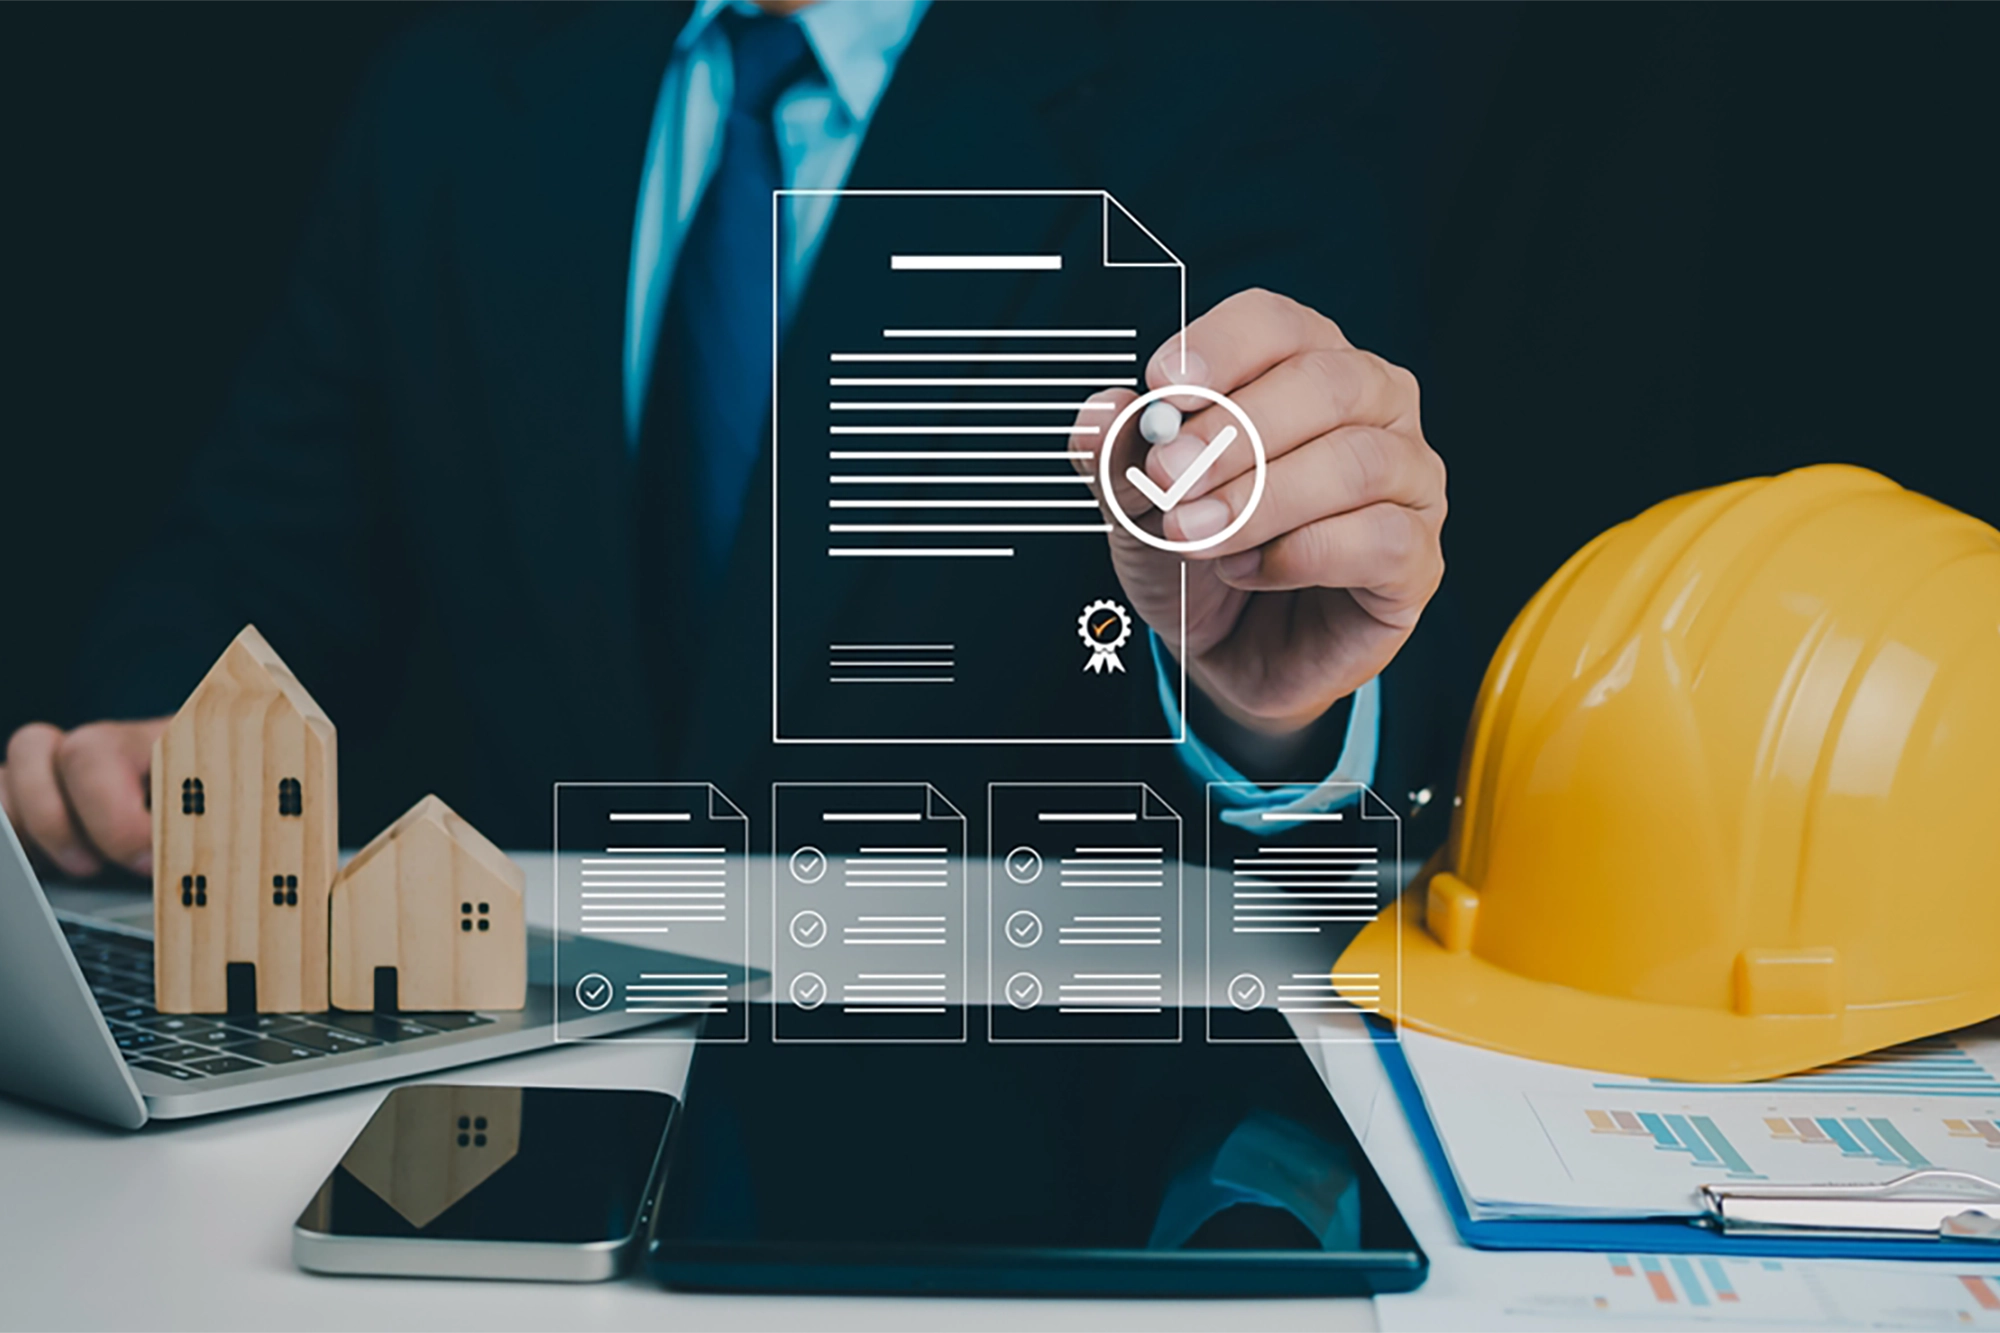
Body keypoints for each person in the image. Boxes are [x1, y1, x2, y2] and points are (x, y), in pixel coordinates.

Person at [1, 0, 1454, 877]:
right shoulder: (453, 96)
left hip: (1008, 1112)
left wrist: (1269, 717)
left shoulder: (1235, 77)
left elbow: (1297, 584)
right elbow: (256, 566)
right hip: (517, 1074)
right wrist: (161, 750)